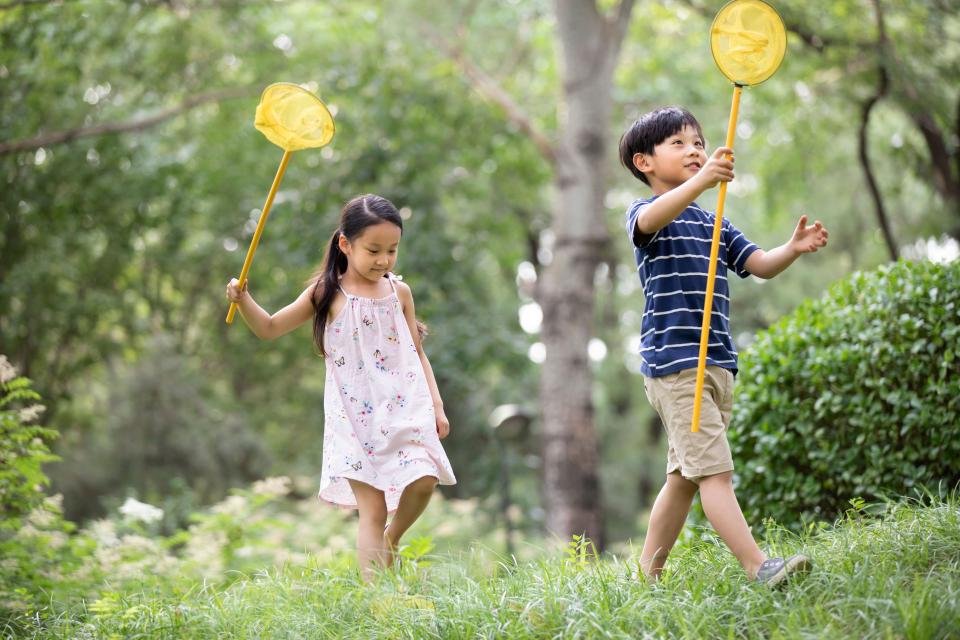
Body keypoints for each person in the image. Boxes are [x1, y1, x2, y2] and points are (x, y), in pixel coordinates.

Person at [618, 107, 828, 586]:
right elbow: (652, 217)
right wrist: (704, 180)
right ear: (644, 162)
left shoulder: (715, 222)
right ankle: (759, 567)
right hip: (676, 363)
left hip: (717, 364)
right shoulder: (647, 214)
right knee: (715, 472)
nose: (694, 149)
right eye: (679, 143)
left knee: (684, 478)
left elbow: (758, 264)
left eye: (699, 142)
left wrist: (791, 250)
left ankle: (645, 579)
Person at [225, 194, 456, 580]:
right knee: (373, 508)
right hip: (353, 418)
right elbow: (269, 328)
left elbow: (417, 353)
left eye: (392, 250)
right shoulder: (327, 293)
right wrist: (244, 299)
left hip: (401, 408)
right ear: (345, 245)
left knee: (424, 479)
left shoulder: (399, 293)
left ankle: (392, 539)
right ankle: (377, 601)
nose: (383, 260)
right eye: (373, 250)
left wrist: (436, 404)